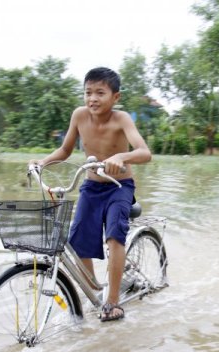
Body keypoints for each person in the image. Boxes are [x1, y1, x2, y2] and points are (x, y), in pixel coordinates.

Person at [31, 67, 151, 322]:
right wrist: (42, 163)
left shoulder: (122, 119)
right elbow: (65, 150)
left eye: (100, 93)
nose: (92, 99)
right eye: (88, 92)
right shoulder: (79, 115)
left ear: (115, 97)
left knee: (114, 238)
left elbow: (144, 152)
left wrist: (121, 156)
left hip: (119, 187)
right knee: (79, 237)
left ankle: (113, 301)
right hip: (91, 186)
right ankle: (94, 288)